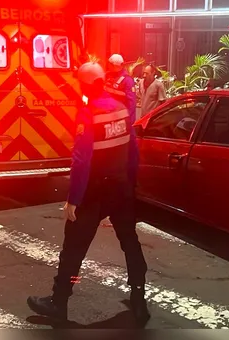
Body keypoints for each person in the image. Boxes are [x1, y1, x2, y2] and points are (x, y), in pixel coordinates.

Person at [27, 62, 150, 325]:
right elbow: (133, 152)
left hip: (94, 192)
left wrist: (74, 199)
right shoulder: (120, 109)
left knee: (73, 249)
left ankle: (59, 301)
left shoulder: (88, 113)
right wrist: (131, 184)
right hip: (121, 189)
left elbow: (81, 161)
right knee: (130, 243)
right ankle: (139, 299)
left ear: (84, 84)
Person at [105, 54, 139, 187]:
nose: (108, 66)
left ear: (116, 65)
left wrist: (129, 123)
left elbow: (131, 102)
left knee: (127, 150)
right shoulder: (108, 76)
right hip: (109, 120)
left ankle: (129, 179)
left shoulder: (127, 80)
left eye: (110, 64)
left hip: (122, 122)